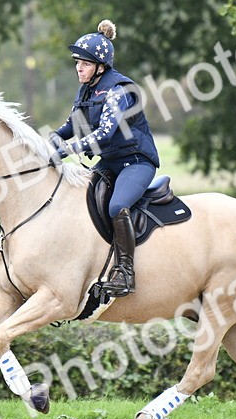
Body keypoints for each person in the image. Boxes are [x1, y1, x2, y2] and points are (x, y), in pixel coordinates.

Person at [50, 19, 160, 297]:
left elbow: (104, 134)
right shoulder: (86, 89)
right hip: (110, 163)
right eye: (77, 62)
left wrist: (68, 149)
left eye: (85, 64)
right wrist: (50, 139)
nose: (79, 68)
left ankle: (125, 274)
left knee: (117, 206)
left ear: (101, 66)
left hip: (136, 162)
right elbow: (72, 125)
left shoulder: (118, 90)